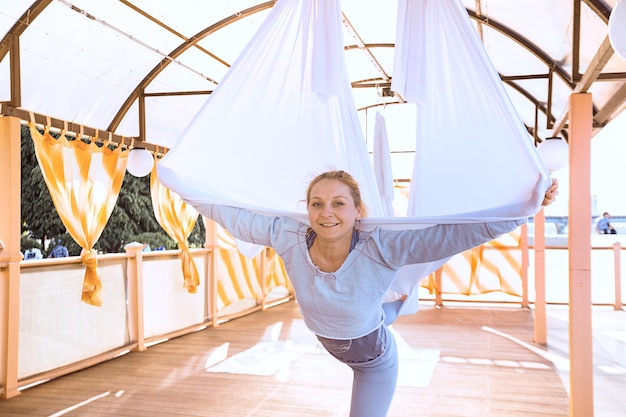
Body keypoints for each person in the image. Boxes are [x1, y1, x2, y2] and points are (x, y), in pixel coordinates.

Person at [191, 170, 558, 417]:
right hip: (341, 331)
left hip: (374, 362)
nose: (326, 213)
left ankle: (397, 307)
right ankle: (398, 306)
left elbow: (454, 235)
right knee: (380, 314)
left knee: (378, 325)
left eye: (338, 203)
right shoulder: (288, 236)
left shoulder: (380, 247)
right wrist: (185, 187)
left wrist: (525, 209)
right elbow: (233, 216)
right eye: (317, 203)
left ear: (356, 211)